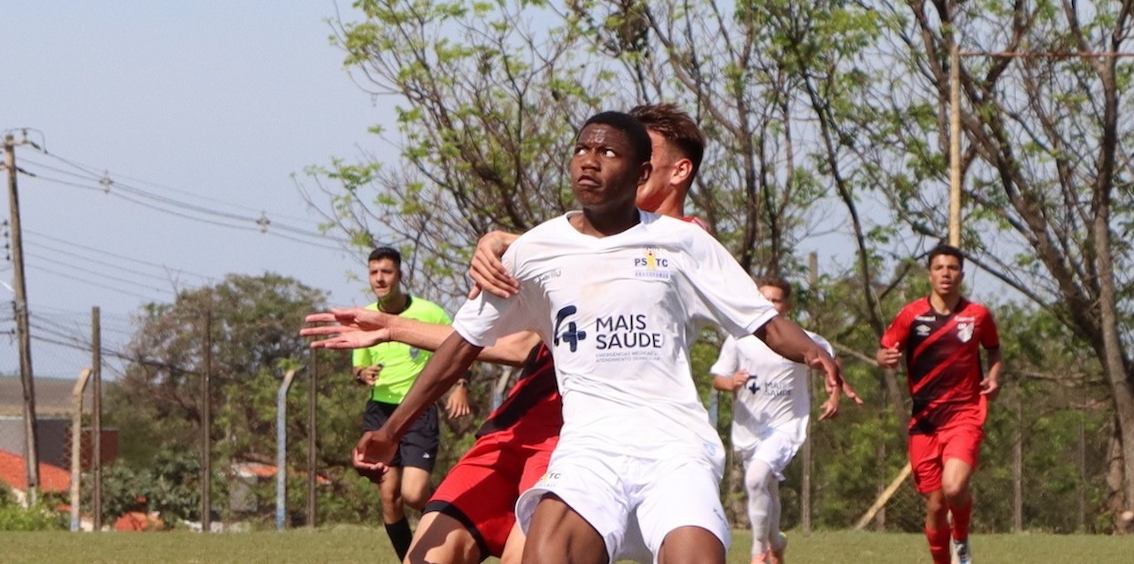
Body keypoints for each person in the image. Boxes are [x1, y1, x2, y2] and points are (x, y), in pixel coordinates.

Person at [359, 111, 849, 564]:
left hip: (675, 449)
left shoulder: (685, 243)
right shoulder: (536, 250)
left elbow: (765, 322)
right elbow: (462, 346)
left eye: (608, 153)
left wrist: (814, 353)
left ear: (641, 173)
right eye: (582, 150)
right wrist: (390, 430)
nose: (589, 162)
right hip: (588, 451)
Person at [877, 245, 1002, 564]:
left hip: (965, 414)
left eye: (952, 268)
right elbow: (885, 350)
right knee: (935, 505)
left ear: (961, 274)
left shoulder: (977, 315)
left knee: (955, 486)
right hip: (925, 420)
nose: (946, 273)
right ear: (930, 274)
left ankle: (960, 537)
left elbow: (994, 349)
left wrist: (994, 376)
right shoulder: (911, 315)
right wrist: (886, 358)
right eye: (939, 267)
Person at [354, 246, 473, 560]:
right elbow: (359, 365)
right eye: (374, 272)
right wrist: (361, 373)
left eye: (386, 272)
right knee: (389, 497)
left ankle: (453, 521)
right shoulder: (366, 316)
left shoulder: (429, 312)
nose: (380, 279)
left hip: (417, 411)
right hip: (380, 412)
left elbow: (463, 346)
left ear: (400, 275)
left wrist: (461, 385)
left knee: (414, 493)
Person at [710, 276, 838, 564]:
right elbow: (718, 378)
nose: (770, 305)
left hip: (784, 426)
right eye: (764, 299)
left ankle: (757, 553)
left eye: (776, 300)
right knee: (766, 488)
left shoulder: (804, 339)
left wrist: (835, 395)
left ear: (787, 305)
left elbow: (831, 361)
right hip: (748, 428)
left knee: (755, 480)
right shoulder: (739, 339)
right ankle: (776, 542)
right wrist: (731, 383)